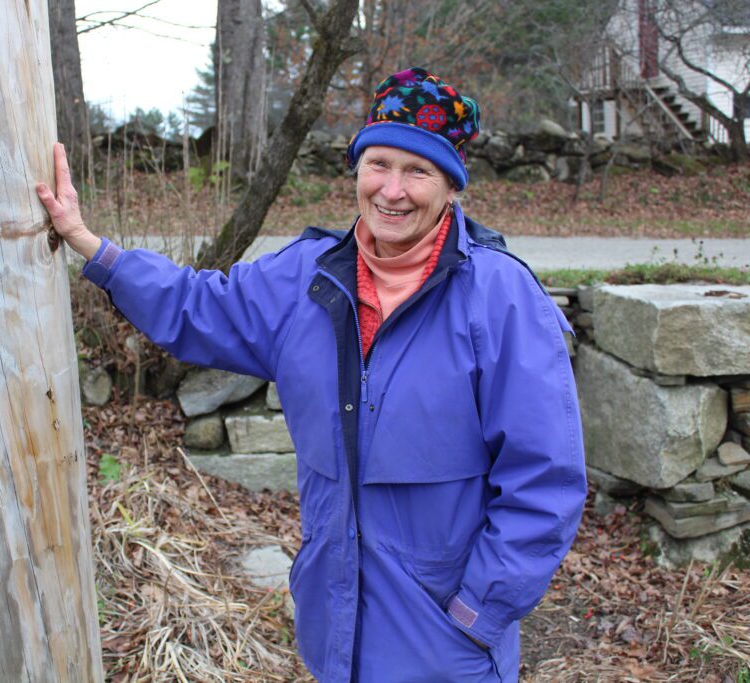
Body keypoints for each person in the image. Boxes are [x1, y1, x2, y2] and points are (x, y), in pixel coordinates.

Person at [37, 67, 587, 683]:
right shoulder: (305, 277)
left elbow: (544, 482)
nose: (392, 190)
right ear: (356, 168)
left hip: (445, 645)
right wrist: (92, 246)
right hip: (336, 626)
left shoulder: (500, 297)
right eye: (378, 164)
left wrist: (477, 612)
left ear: (451, 187)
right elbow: (196, 305)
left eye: (419, 171)